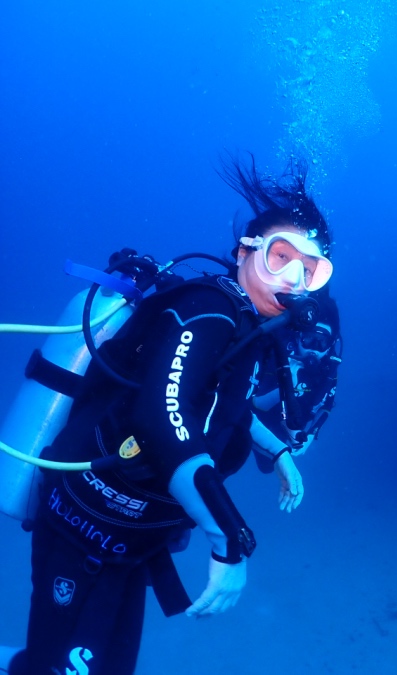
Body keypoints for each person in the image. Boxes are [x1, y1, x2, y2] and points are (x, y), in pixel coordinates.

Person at [4, 154, 334, 675]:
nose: (292, 276)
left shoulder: (248, 332)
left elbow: (227, 408)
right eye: (280, 257)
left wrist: (281, 452)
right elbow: (163, 414)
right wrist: (229, 541)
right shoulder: (208, 310)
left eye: (310, 268)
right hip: (85, 526)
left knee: (107, 667)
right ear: (244, 253)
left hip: (132, 539)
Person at [249, 287, 342, 512]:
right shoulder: (277, 358)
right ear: (298, 338)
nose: (314, 350)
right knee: (258, 463)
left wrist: (312, 434)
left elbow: (327, 404)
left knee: (269, 466)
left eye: (321, 344)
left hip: (291, 428)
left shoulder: (327, 368)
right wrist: (285, 382)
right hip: (257, 423)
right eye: (310, 340)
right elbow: (254, 405)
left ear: (330, 346)